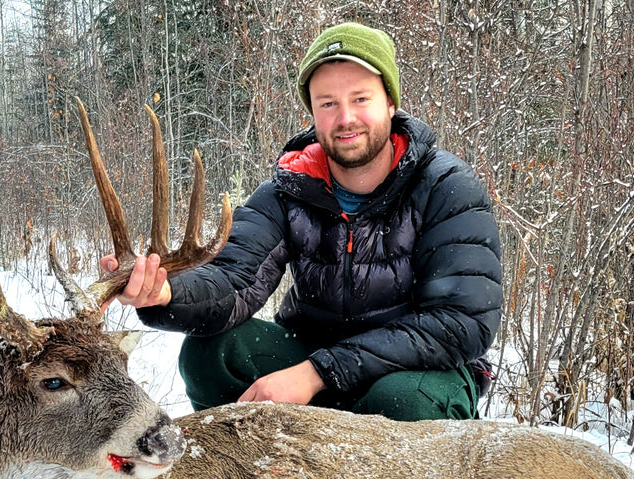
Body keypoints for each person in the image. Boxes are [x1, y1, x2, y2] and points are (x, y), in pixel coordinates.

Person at [103, 22, 502, 421]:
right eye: (327, 103)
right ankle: (244, 474)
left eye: (361, 98)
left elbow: (459, 323)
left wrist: (317, 373)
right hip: (310, 352)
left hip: (417, 373)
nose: (346, 118)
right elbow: (235, 280)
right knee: (211, 351)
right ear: (313, 112)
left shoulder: (446, 187)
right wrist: (166, 293)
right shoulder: (289, 190)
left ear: (390, 103)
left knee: (400, 400)